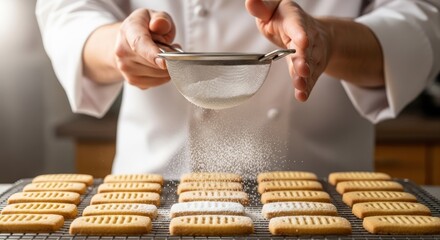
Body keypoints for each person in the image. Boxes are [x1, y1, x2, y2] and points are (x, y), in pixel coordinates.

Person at [36, 0, 440, 179]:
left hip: (324, 187)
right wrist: (117, 46)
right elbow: (67, 10)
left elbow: (423, 21)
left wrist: (327, 38)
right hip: (157, 187)